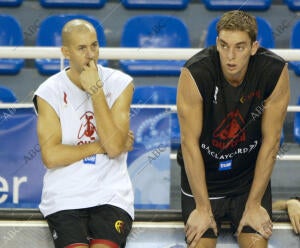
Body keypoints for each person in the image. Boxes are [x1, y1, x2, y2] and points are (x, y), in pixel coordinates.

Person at [176, 10, 290, 248]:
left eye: (239, 47)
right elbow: (189, 143)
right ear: (217, 43)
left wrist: (253, 205)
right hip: (204, 181)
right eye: (225, 45)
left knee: (255, 244)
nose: (230, 56)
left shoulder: (273, 71)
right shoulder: (195, 73)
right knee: (201, 244)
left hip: (247, 181)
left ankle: (283, 203)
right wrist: (202, 208)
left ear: (253, 47)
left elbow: (271, 142)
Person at [33, 19, 135, 248]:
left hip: (110, 194)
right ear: (65, 51)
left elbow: (116, 148)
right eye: (81, 48)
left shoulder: (120, 83)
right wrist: (101, 145)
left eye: (94, 45)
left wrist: (96, 91)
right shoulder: (49, 92)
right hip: (65, 196)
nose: (90, 54)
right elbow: (51, 157)